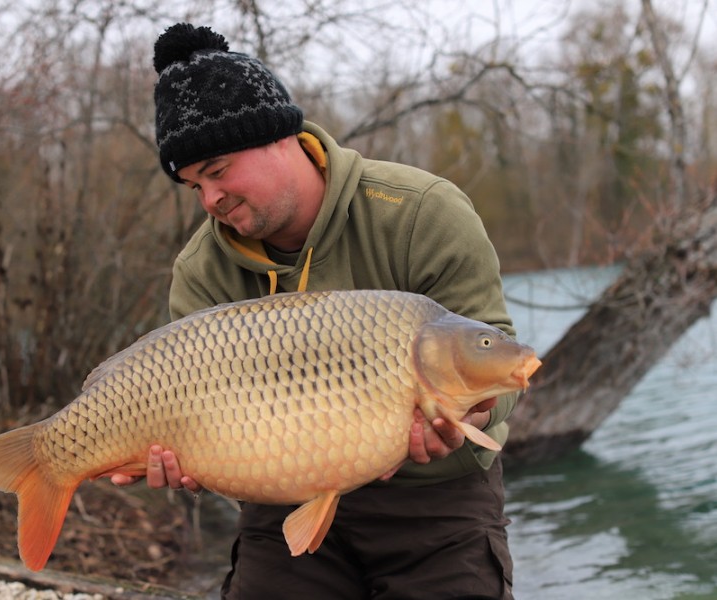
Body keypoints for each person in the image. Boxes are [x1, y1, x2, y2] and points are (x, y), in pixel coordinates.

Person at [110, 22, 518, 599]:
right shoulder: (201, 270)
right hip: (285, 508)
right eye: (194, 185)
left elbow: (497, 357)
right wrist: (188, 465)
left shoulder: (422, 212)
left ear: (281, 138)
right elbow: (206, 432)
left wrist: (474, 416)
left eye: (219, 171)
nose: (210, 200)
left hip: (437, 505)